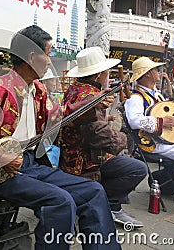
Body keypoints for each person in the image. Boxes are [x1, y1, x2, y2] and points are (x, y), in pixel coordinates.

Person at [0, 25, 120, 249]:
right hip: (0, 172)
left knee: (94, 191)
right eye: (47, 54)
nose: (49, 61)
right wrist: (1, 157)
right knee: (60, 201)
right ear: (31, 56)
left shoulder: (39, 90)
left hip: (29, 164)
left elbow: (61, 114)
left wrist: (92, 101)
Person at [58, 47, 147, 228]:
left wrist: (107, 116)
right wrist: (125, 139)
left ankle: (108, 205)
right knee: (137, 168)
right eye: (106, 70)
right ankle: (102, 204)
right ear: (98, 74)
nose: (108, 73)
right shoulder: (90, 96)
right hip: (83, 161)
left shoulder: (76, 88)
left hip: (72, 156)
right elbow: (97, 136)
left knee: (126, 163)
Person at [124, 56, 174, 167]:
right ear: (148, 73)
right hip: (152, 144)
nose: (158, 72)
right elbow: (134, 121)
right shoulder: (135, 98)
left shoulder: (157, 95)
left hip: (165, 139)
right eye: (155, 70)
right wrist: (162, 121)